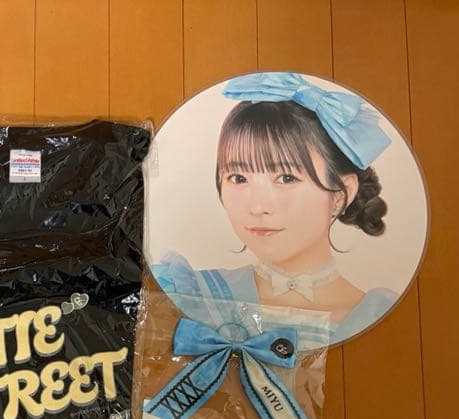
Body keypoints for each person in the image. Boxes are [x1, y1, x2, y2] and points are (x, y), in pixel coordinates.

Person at [152, 72, 395, 347]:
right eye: (238, 178)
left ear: (341, 194)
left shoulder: (377, 314)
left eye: (286, 178)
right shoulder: (190, 293)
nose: (258, 207)